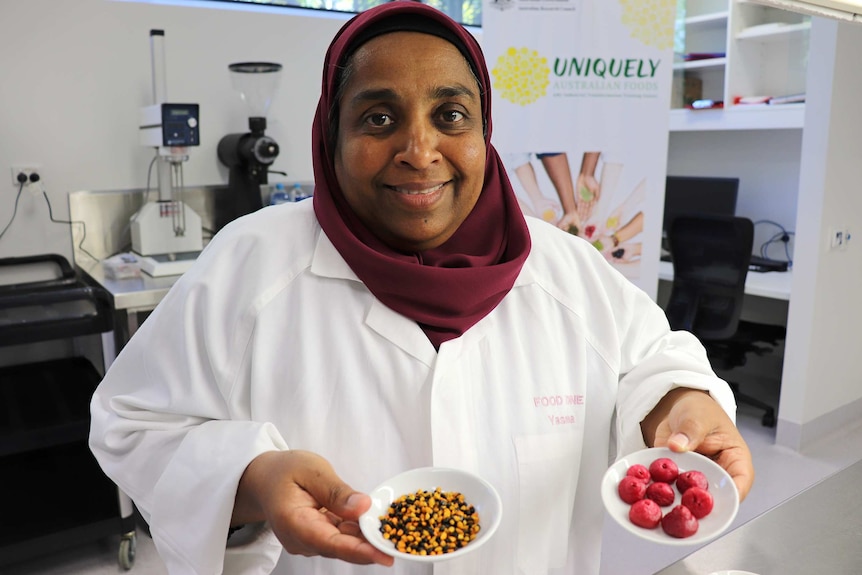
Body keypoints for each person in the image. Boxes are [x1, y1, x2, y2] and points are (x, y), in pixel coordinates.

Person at [89, 3, 754, 574]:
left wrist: (682, 401)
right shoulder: (252, 264)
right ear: (332, 136)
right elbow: (131, 421)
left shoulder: (566, 271)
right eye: (378, 118)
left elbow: (654, 359)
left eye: (451, 114)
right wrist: (251, 480)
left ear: (484, 132)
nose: (419, 147)